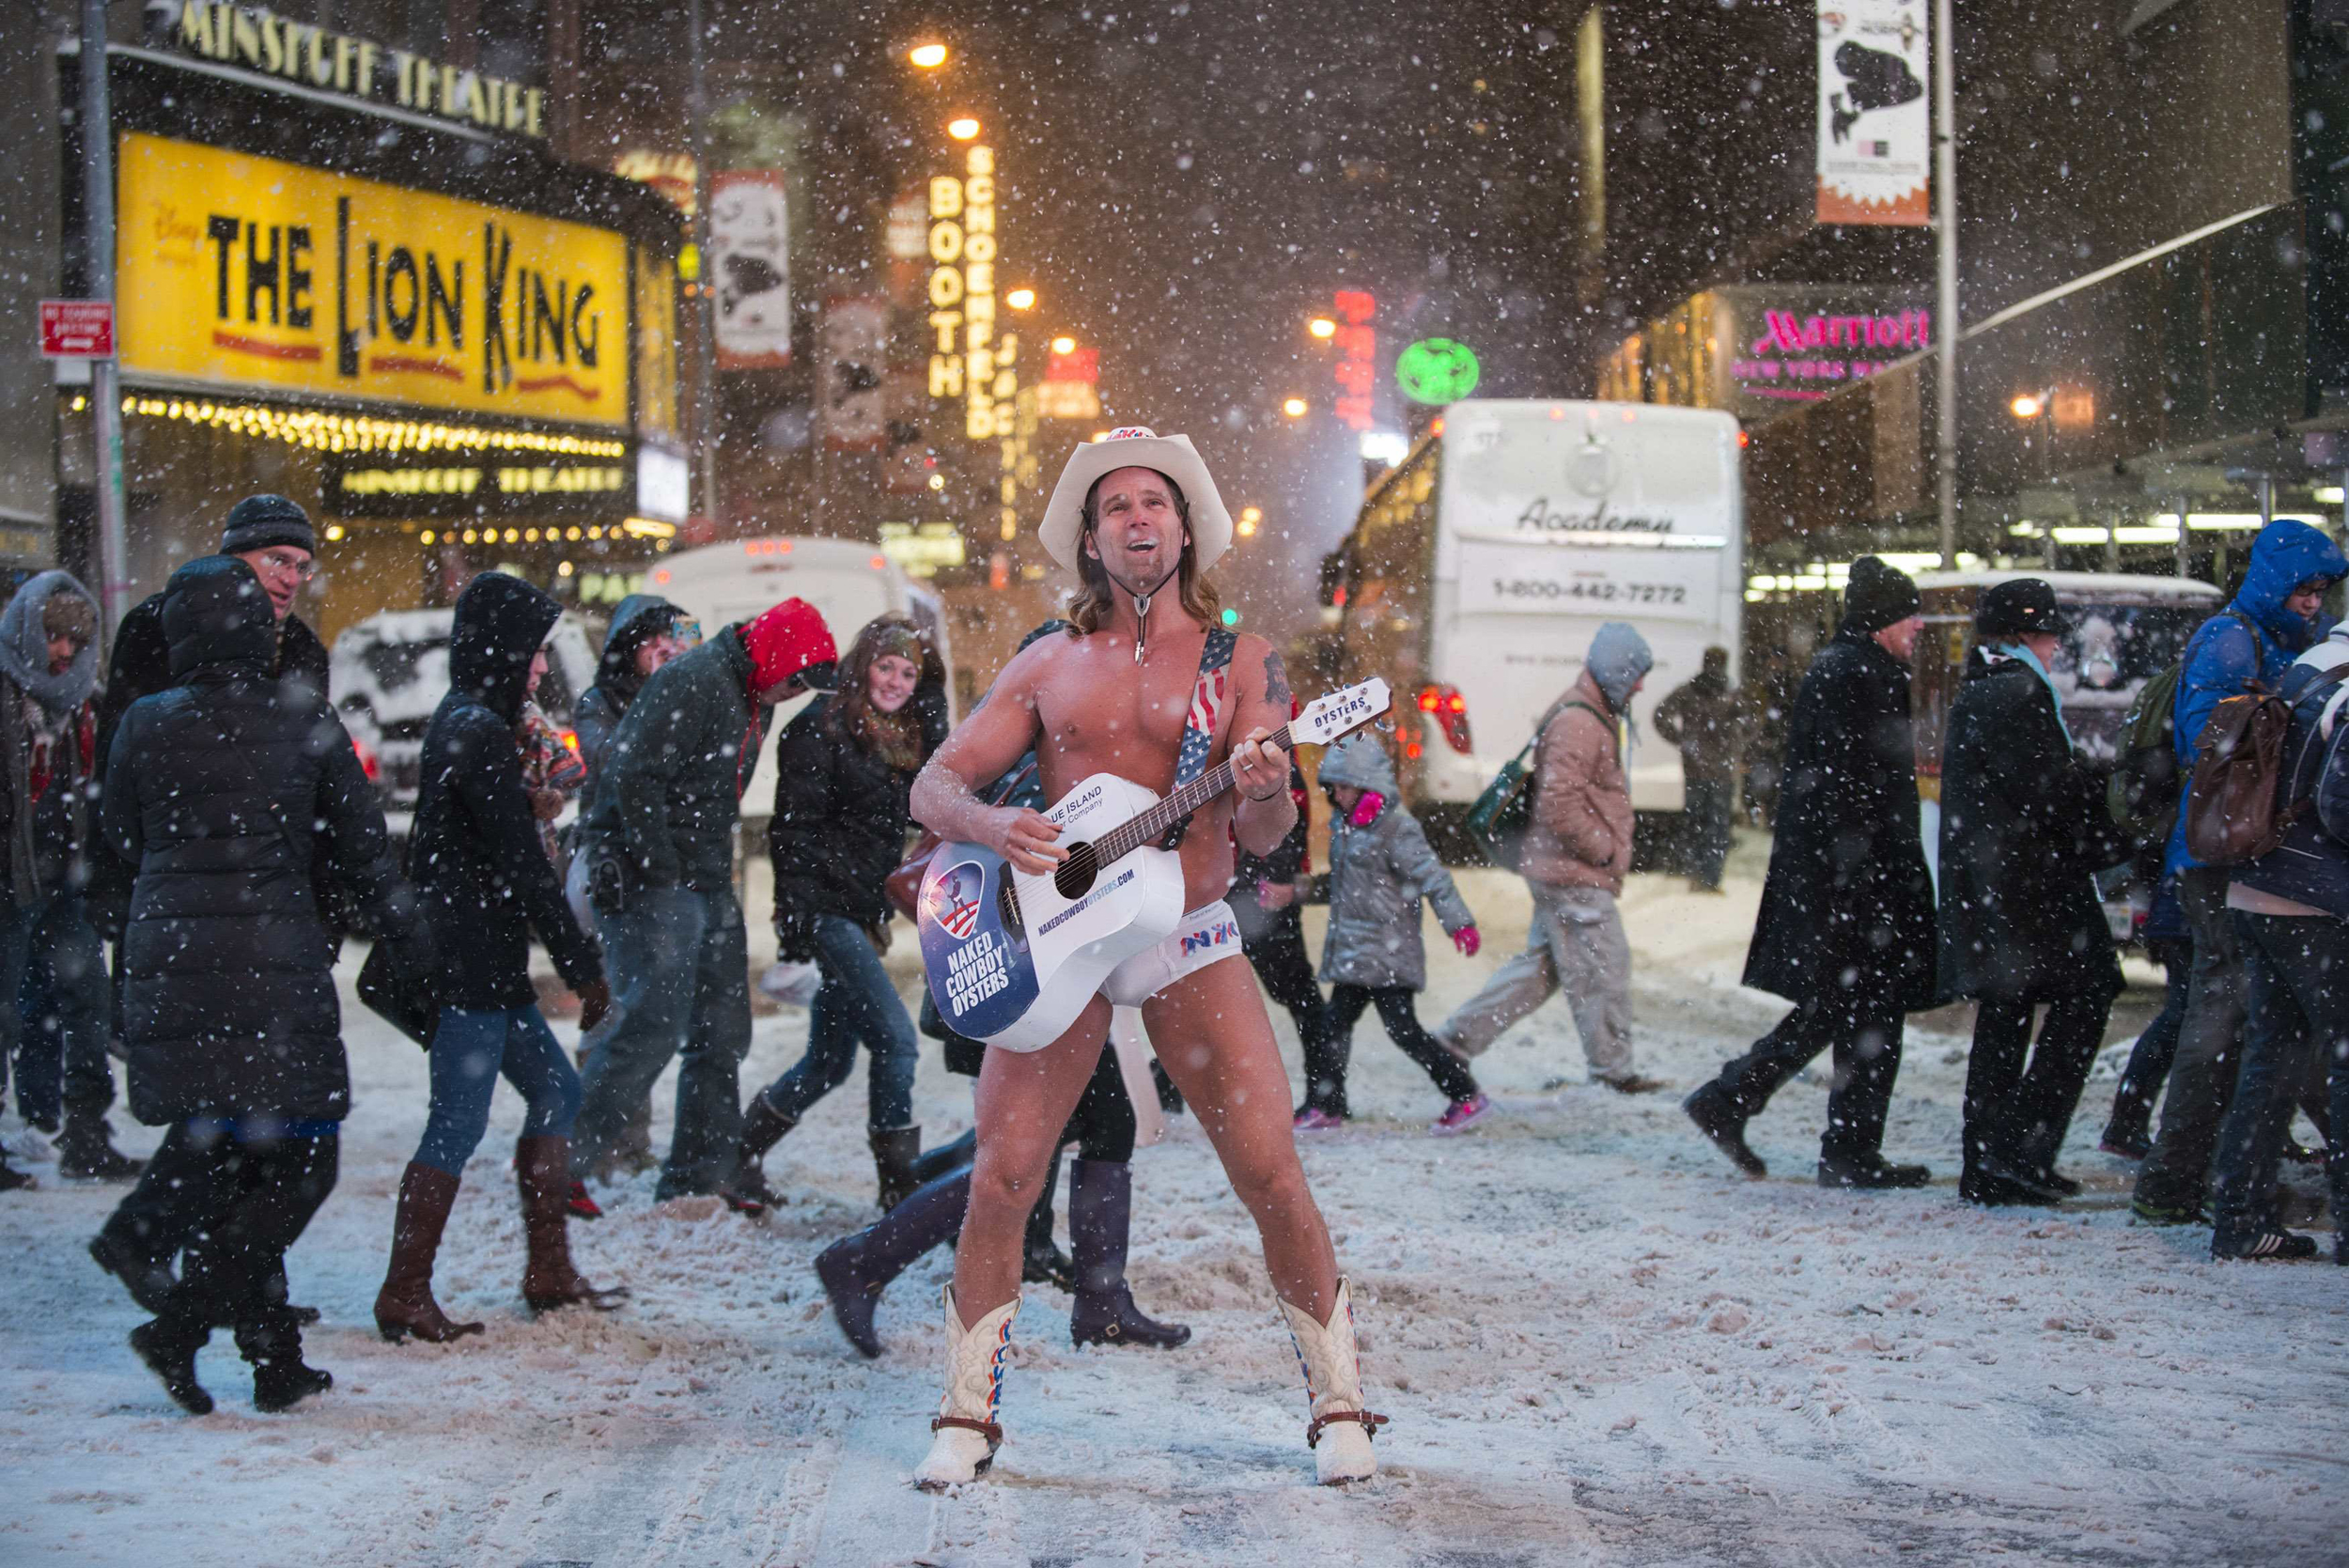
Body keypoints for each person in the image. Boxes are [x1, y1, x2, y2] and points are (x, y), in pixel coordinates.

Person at [905, 427, 1383, 1488]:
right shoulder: (1045, 661)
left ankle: (1339, 1400)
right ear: (1089, 535)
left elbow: (1261, 841)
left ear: (1183, 529)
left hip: (1185, 932)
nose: (1135, 519)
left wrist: (1261, 784)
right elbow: (932, 785)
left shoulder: (1242, 660)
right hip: (1056, 943)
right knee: (1002, 1178)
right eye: (1115, 505)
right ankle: (963, 1416)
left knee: (1268, 1170)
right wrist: (989, 828)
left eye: (1153, 504)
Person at [97, 556, 419, 1414]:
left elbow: (117, 844)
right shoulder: (299, 716)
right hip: (273, 967)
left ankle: (262, 1349)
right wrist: (406, 929)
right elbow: (360, 847)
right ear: (254, 628)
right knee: (301, 1163)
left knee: (232, 1152)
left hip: (169, 962)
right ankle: (176, 1317)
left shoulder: (142, 723)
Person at [86, 494, 334, 1292]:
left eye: (301, 564)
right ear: (234, 558)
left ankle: (228, 1278)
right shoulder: (155, 630)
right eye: (276, 561)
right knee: (229, 1103)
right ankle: (225, 1280)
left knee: (255, 1110)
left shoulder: (301, 650)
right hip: (181, 903)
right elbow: (118, 787)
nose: (291, 578)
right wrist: (116, 904)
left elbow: (316, 797)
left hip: (263, 910)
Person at [374, 572, 622, 1343]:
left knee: (555, 1089)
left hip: (488, 961)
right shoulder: (475, 728)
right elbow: (518, 860)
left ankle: (548, 1270)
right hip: (465, 965)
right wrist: (581, 963)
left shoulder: (478, 720)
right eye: (537, 654)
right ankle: (404, 1292)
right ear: (505, 650)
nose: (543, 669)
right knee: (456, 1121)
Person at [568, 598, 836, 1206]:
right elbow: (632, 776)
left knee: (722, 1030)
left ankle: (697, 1174)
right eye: (797, 679)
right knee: (651, 1021)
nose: (797, 693)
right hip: (653, 874)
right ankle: (560, 1161)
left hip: (707, 874)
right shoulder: (693, 680)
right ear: (774, 660)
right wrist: (660, 863)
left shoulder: (754, 695)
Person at [1684, 557, 1937, 1188]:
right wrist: (1877, 878)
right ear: (1882, 620)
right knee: (1868, 1010)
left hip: (1837, 877)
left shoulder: (1840, 668)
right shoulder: (1865, 675)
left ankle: (1735, 1099)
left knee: (1841, 1005)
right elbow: (1864, 792)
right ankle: (1840, 1147)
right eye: (1910, 615)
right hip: (1858, 880)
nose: (1919, 626)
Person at [2132, 519, 2347, 1225]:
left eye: (2321, 592)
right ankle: (2179, 1181)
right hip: (2218, 857)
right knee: (2224, 1016)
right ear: (2274, 585)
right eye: (2303, 590)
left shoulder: (2274, 641)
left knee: (2265, 1022)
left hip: (2240, 856)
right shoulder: (2233, 640)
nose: (2313, 603)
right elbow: (2210, 747)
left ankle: (2218, 1178)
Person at [733, 615, 941, 1212]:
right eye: (886, 667)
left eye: (909, 672)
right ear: (861, 664)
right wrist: (796, 919)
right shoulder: (819, 729)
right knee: (897, 1044)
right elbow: (792, 831)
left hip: (860, 911)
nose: (897, 681)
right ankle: (898, 1193)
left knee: (827, 1062)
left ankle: (737, 1159)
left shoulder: (896, 735)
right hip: (826, 911)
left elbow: (933, 770)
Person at [1935, 579, 2127, 1206]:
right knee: (2089, 993)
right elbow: (2050, 792)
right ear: (2027, 636)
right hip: (2029, 889)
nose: (2054, 648)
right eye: (2049, 635)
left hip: (1999, 888)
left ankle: (1992, 1161)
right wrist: (2115, 823)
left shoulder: (1989, 688)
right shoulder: (2018, 693)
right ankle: (2015, 1149)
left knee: (2005, 1017)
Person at [1437, 621, 1663, 1094]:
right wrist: (1602, 851)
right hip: (1573, 872)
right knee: (1605, 969)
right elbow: (1558, 805)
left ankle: (1454, 1042)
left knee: (1540, 971)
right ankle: (1613, 1073)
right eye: (1636, 674)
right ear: (1616, 671)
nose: (1641, 684)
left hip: (1560, 867)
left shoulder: (1589, 713)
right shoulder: (1579, 722)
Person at [2203, 613, 2349, 1261]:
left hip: (2255, 886)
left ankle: (2239, 1219)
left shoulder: (2305, 669)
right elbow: (2341, 802)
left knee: (2274, 1057)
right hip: (2315, 903)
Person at [0, 571, 136, 1185]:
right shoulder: (6, 695)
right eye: (54, 637)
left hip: (67, 875)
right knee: (7, 1010)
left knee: (89, 1002)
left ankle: (86, 1133)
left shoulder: (87, 699)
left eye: (74, 642)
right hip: (10, 877)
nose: (62, 653)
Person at [1295, 734, 1486, 1131]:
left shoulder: (1396, 828)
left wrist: (1459, 922)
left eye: (1346, 786)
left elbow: (1433, 877)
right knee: (1332, 1028)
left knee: (1404, 1032)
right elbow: (1342, 886)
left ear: (1368, 784)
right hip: (1355, 953)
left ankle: (1466, 1095)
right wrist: (1297, 892)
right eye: (1335, 787)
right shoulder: (1346, 826)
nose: (1339, 794)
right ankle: (1326, 1105)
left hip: (1388, 953)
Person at [565, 594, 694, 1176]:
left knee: (641, 1008)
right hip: (608, 870)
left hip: (656, 869)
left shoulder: (679, 700)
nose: (666, 651)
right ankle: (592, 1144)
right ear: (629, 649)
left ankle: (624, 1140)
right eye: (653, 642)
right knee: (618, 1007)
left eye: (674, 641)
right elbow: (617, 766)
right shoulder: (600, 704)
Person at [1232, 726, 1330, 1077]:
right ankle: (1164, 1090)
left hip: (1256, 885)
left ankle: (1327, 1093)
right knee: (1207, 991)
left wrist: (1279, 871)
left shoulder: (1261, 700)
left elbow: (1291, 800)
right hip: (1222, 879)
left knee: (1295, 992)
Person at [2100, 882, 2189, 1159]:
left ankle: (2126, 1124)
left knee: (2179, 1018)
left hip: (2179, 915)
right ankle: (2127, 1125)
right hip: (2187, 917)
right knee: (2180, 1018)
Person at [1653, 644, 1746, 893]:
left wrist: (1682, 740)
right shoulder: (1732, 694)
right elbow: (1750, 723)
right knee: (1718, 826)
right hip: (1723, 770)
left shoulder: (1688, 691)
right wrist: (1736, 747)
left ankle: (1694, 873)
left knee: (1695, 822)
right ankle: (1711, 878)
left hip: (1694, 767)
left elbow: (1660, 715)